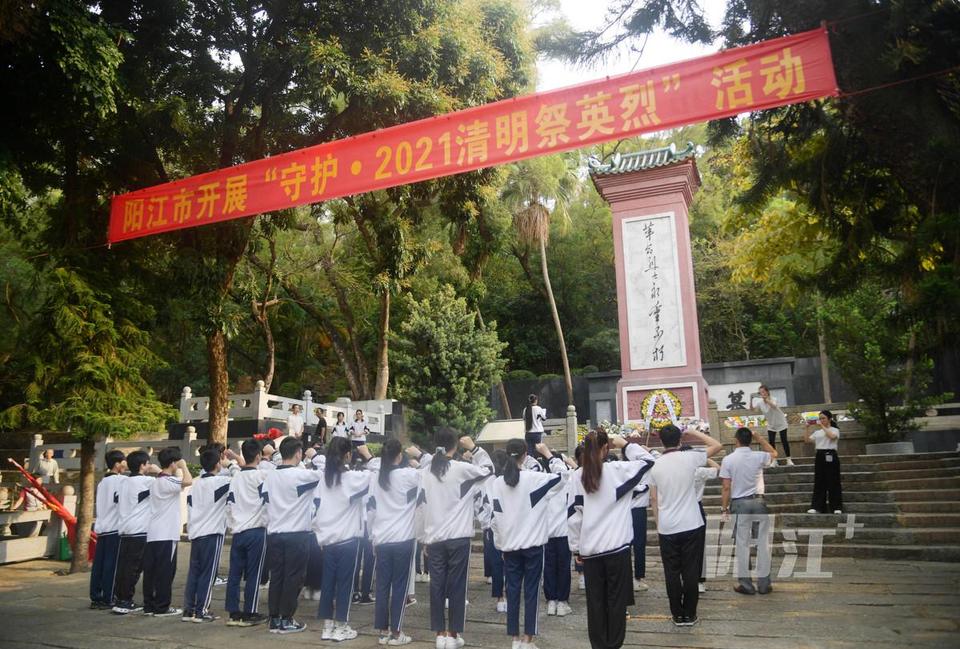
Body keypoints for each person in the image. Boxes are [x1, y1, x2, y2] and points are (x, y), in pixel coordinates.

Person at [568, 431, 655, 649]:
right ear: (606, 448)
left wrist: (576, 549)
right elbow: (649, 460)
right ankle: (614, 645)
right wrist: (625, 444)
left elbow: (573, 516)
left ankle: (598, 645)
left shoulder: (577, 476)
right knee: (616, 602)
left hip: (590, 551)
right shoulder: (618, 471)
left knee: (595, 603)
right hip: (617, 550)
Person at [408, 430, 492, 649]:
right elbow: (489, 471)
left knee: (436, 585)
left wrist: (423, 538)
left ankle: (439, 634)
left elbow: (420, 507)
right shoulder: (461, 469)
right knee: (456, 586)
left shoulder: (425, 472)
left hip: (434, 538)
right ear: (455, 446)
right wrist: (474, 448)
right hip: (458, 538)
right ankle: (453, 634)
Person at [490, 439, 566, 649]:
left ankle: (514, 638)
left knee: (512, 590)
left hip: (510, 547)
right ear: (525, 455)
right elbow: (563, 476)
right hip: (533, 547)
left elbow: (495, 518)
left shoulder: (497, 483)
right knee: (532, 591)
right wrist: (550, 456)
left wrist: (500, 544)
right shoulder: (535, 479)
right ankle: (527, 639)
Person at [647, 424, 722, 627]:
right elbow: (717, 445)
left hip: (667, 525)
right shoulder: (690, 458)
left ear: (661, 441)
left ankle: (677, 614)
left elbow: (653, 499)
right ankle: (690, 614)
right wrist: (694, 432)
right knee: (690, 570)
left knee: (671, 571)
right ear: (679, 440)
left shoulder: (655, 464)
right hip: (691, 523)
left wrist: (658, 522)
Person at [262, 436, 320, 634]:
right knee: (293, 577)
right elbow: (325, 473)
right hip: (297, 534)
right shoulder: (300, 475)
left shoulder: (270, 475)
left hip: (275, 533)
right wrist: (316, 456)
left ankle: (275, 618)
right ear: (298, 454)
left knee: (277, 576)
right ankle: (286, 619)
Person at [313, 437, 368, 642]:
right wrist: (368, 455)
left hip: (327, 540)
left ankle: (327, 626)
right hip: (347, 540)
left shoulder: (323, 479)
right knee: (345, 584)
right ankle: (342, 626)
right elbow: (377, 474)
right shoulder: (352, 478)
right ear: (347, 455)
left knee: (328, 583)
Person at [368, 438, 422, 646]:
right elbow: (427, 475)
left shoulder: (376, 478)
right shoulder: (407, 475)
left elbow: (371, 510)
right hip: (403, 539)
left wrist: (372, 536)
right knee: (400, 586)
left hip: (381, 538)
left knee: (382, 585)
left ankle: (383, 631)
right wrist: (417, 459)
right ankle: (397, 632)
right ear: (400, 455)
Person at [719, 427, 777, 595]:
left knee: (742, 544)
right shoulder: (759, 456)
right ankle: (764, 584)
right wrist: (760, 438)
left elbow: (726, 487)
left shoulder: (728, 460)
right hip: (758, 501)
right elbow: (774, 453)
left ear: (736, 440)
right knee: (762, 544)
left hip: (739, 504)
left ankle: (746, 584)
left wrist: (724, 508)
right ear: (750, 440)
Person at [182, 449, 235, 622]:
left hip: (196, 532)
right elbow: (239, 478)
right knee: (208, 573)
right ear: (217, 464)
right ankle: (202, 610)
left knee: (194, 573)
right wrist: (232, 463)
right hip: (212, 532)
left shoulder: (195, 485)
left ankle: (189, 610)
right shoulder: (221, 481)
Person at [143, 447, 193, 617]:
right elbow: (188, 481)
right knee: (165, 571)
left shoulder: (157, 481)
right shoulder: (168, 481)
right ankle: (162, 606)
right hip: (166, 534)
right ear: (173, 463)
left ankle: (149, 604)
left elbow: (166, 476)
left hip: (153, 533)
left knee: (151, 571)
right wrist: (184, 466)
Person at [225, 439, 270, 627]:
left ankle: (233, 611)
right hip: (256, 530)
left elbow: (229, 505)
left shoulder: (235, 477)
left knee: (234, 573)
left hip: (238, 530)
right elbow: (268, 500)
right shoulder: (261, 477)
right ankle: (250, 611)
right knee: (254, 574)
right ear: (259, 455)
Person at [112, 450, 157, 615]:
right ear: (142, 465)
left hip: (124, 529)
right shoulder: (147, 481)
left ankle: (120, 598)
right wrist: (158, 470)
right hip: (139, 530)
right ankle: (125, 601)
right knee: (134, 568)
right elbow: (167, 482)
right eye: (147, 463)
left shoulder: (123, 482)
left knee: (124, 567)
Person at [542, 447, 578, 617]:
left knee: (549, 567)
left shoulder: (542, 481)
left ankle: (551, 601)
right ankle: (562, 601)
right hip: (563, 531)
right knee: (563, 567)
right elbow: (566, 471)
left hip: (547, 532)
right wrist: (554, 457)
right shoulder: (566, 480)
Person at [90, 450, 127, 609]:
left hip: (102, 526)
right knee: (112, 564)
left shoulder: (102, 482)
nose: (125, 464)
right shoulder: (121, 481)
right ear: (117, 464)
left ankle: (96, 596)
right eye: (124, 461)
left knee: (99, 563)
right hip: (114, 527)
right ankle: (109, 596)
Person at [479, 450, 509, 613]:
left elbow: (480, 502)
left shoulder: (485, 480)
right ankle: (510, 595)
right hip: (508, 523)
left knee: (497, 563)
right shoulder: (509, 478)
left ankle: (500, 598)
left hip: (491, 523)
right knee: (510, 562)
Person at [805, 410, 843, 514]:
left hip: (831, 455)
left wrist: (822, 426)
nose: (821, 420)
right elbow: (807, 440)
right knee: (819, 481)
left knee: (833, 481)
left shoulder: (835, 430)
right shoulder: (817, 432)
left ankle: (836, 507)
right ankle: (817, 507)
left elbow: (832, 437)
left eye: (823, 418)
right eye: (820, 418)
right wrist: (807, 428)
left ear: (829, 419)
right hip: (820, 456)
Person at [693, 458, 719, 593]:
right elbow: (718, 468)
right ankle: (700, 581)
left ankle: (685, 578)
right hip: (697, 508)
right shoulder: (700, 471)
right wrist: (706, 458)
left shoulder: (677, 471)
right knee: (700, 545)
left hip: (680, 508)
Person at [753, 386, 794, 466]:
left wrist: (766, 400)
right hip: (771, 424)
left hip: (780, 422)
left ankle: (788, 459)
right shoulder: (760, 402)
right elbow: (754, 409)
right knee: (771, 441)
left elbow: (774, 406)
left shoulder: (773, 399)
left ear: (767, 392)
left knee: (784, 440)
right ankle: (774, 460)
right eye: (760, 392)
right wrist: (751, 405)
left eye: (763, 392)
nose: (762, 394)